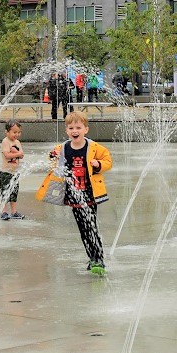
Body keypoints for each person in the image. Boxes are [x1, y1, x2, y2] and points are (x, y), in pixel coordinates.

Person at [36, 111, 113, 275]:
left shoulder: (93, 147)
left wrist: (98, 164)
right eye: (71, 128)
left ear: (86, 129)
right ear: (66, 131)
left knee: (91, 226)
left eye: (78, 127)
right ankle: (92, 257)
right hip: (73, 196)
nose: (74, 131)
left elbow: (108, 161)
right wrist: (53, 158)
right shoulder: (63, 148)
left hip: (90, 194)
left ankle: (98, 259)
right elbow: (52, 162)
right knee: (83, 230)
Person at [0, 121, 25, 220]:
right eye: (14, 132)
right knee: (5, 192)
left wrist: (17, 153)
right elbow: (7, 155)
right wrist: (17, 153)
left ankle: (14, 212)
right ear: (7, 132)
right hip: (6, 172)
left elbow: (22, 155)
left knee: (14, 193)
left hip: (15, 173)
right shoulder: (5, 141)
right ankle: (4, 212)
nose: (17, 134)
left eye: (19, 132)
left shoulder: (17, 142)